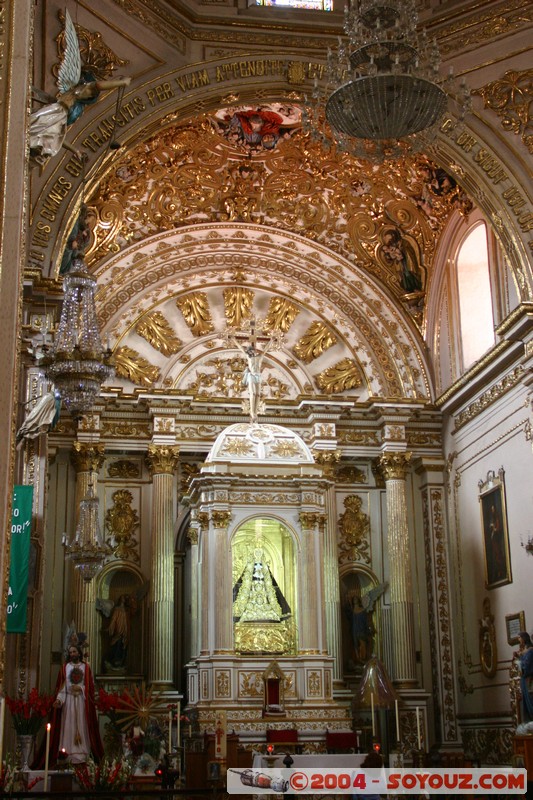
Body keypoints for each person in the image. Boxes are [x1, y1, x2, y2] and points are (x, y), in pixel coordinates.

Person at [47, 645, 103, 766]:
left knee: (82, 725)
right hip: (68, 702)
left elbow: (91, 687)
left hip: (82, 703)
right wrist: (59, 700)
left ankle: (83, 754)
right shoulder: (65, 668)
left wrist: (81, 688)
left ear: (79, 653)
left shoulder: (86, 667)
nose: (72, 654)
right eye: (70, 652)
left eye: (74, 651)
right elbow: (62, 687)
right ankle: (67, 754)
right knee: (68, 725)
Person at [517, 631, 533, 723]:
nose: (519, 640)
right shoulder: (525, 650)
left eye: (519, 637)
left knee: (530, 700)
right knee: (526, 702)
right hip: (524, 679)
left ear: (524, 638)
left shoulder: (530, 650)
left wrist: (520, 664)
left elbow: (527, 665)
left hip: (528, 679)